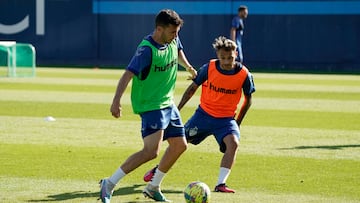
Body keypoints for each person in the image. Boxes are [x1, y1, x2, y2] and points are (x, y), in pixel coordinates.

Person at [99, 9, 197, 203]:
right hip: (151, 105)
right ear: (159, 29)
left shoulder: (173, 39)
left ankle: (153, 187)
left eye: (177, 32)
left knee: (179, 145)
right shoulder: (146, 50)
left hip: (168, 102)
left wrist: (188, 67)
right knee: (151, 151)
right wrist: (116, 101)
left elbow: (178, 51)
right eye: (172, 32)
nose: (175, 36)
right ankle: (109, 183)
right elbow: (127, 74)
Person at [144, 36, 255, 193]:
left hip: (226, 120)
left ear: (236, 54)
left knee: (234, 143)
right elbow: (192, 89)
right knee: (179, 144)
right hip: (203, 116)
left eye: (230, 57)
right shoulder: (209, 68)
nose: (226, 61)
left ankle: (221, 184)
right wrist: (177, 109)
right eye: (223, 58)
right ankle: (157, 170)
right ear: (218, 55)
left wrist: (238, 122)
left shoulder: (244, 74)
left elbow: (248, 99)